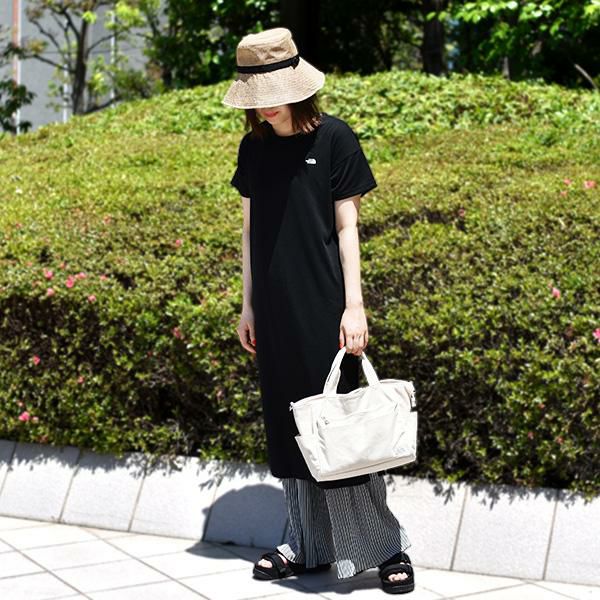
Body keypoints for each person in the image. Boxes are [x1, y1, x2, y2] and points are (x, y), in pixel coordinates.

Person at [223, 27, 414, 594]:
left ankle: (385, 549)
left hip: (326, 306)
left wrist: (355, 306)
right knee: (292, 430)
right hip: (272, 312)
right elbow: (250, 230)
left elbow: (348, 227)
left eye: (275, 92)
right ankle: (305, 544)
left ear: (297, 86)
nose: (267, 105)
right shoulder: (253, 147)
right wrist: (247, 305)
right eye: (258, 95)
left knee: (340, 429)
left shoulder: (334, 137)